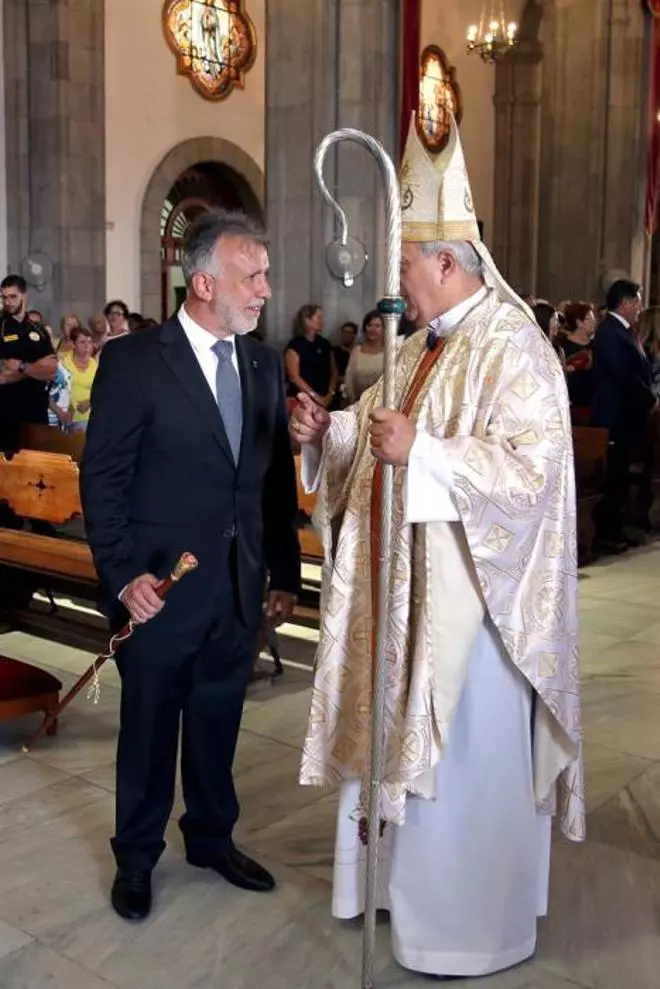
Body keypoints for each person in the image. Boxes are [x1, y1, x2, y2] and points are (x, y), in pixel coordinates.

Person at [291, 115, 584, 979]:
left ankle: (466, 928)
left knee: (462, 774)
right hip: (402, 594)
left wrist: (423, 452)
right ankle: (395, 896)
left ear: (447, 263)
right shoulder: (422, 343)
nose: (398, 290)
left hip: (476, 615)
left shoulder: (516, 345)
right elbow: (379, 428)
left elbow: (533, 476)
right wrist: (329, 433)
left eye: (408, 272)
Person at [81, 209, 300, 922]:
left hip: (236, 591)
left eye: (265, 273)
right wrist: (122, 576)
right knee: (148, 729)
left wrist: (285, 575)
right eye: (253, 274)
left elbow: (271, 480)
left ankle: (211, 837)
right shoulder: (136, 360)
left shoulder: (263, 364)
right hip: (159, 590)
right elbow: (104, 482)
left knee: (215, 722)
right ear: (204, 281)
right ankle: (136, 858)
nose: (267, 288)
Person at [591, 279, 657, 551]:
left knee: (620, 476)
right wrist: (650, 399)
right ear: (626, 302)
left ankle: (618, 529)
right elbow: (624, 376)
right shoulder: (609, 332)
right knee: (613, 476)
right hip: (615, 417)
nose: (640, 307)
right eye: (637, 301)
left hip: (628, 417)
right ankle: (607, 534)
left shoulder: (625, 331)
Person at [0, 274, 57, 451]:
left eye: (12, 296)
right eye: (4, 297)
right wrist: (37, 368)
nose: (7, 301)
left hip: (36, 410)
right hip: (7, 411)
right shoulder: (1, 327)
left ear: (24, 296)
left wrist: (22, 366)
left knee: (38, 466)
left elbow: (52, 370)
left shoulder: (38, 330)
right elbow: (2, 376)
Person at [284, 305, 338, 408]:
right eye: (318, 317)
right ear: (307, 320)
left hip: (326, 397)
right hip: (302, 400)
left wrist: (330, 394)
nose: (322, 321)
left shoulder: (325, 343)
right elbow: (294, 377)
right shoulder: (295, 345)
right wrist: (316, 397)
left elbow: (334, 371)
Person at [60, 326, 98, 432]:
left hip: (90, 417)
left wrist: (91, 401)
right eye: (82, 342)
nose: (87, 346)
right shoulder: (63, 363)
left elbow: (101, 389)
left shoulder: (95, 364)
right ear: (73, 344)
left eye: (89, 342)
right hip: (67, 417)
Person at [343, 309, 385, 403]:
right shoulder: (357, 351)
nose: (373, 329)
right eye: (369, 325)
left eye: (377, 326)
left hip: (382, 405)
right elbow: (349, 380)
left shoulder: (390, 353)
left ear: (384, 329)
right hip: (358, 404)